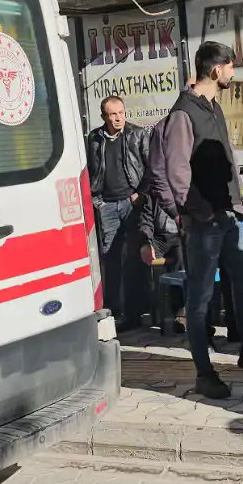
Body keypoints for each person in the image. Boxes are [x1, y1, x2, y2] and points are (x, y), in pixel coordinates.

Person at [156, 43, 243, 398]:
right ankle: (204, 372)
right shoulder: (185, 112)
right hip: (204, 221)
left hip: (228, 214)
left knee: (242, 281)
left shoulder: (212, 107)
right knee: (199, 298)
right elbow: (176, 170)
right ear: (216, 70)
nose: (233, 73)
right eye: (231, 67)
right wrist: (196, 212)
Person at [86, 96, 148, 329]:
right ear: (104, 116)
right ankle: (112, 313)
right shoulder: (94, 138)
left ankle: (135, 313)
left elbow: (151, 167)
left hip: (131, 204)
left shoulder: (138, 135)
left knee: (133, 259)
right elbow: (91, 172)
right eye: (113, 114)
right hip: (107, 206)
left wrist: (140, 194)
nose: (118, 117)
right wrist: (97, 201)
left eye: (121, 112)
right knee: (110, 260)